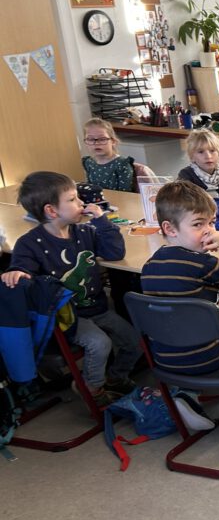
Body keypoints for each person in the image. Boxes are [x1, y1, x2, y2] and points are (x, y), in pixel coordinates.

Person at [140, 181, 219, 431]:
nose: (209, 231)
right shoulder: (203, 264)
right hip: (207, 356)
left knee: (192, 326)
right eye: (198, 224)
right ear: (169, 228)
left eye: (212, 223)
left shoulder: (149, 266)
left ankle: (187, 394)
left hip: (165, 358)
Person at [5, 171, 140, 406]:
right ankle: (92, 388)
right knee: (100, 344)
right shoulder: (30, 243)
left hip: (97, 307)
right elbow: (22, 268)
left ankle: (115, 377)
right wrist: (17, 271)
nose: (81, 203)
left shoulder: (84, 232)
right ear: (51, 211)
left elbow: (115, 252)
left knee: (134, 341)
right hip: (68, 317)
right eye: (72, 199)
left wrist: (102, 221)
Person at [81, 117, 155, 192]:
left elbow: (125, 194)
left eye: (102, 139)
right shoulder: (88, 162)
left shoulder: (122, 165)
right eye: (90, 139)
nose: (96, 143)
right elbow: (90, 189)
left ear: (113, 141)